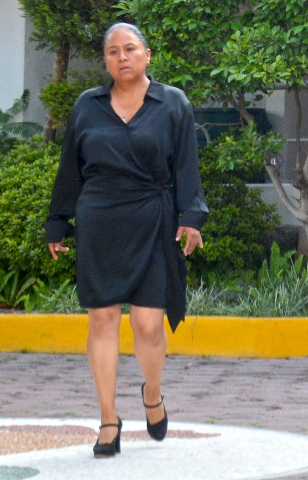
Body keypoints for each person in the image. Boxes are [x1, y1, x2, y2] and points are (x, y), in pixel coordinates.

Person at [46, 22, 207, 458]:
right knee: (101, 319)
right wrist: (58, 221)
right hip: (98, 218)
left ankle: (151, 393)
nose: (122, 57)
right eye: (113, 51)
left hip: (152, 218)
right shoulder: (88, 105)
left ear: (147, 55)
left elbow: (186, 166)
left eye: (131, 49)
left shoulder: (172, 103)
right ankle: (108, 420)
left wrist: (191, 218)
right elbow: (70, 168)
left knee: (148, 325)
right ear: (105, 60)